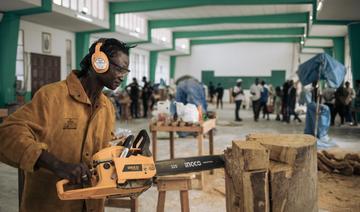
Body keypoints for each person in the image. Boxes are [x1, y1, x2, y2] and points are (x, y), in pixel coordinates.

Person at [0, 38, 132, 211]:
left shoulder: (107, 107)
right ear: (99, 62)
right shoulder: (52, 97)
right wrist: (56, 165)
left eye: (126, 70)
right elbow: (8, 133)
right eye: (119, 68)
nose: (122, 76)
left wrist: (125, 156)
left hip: (92, 203)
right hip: (51, 204)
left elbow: (103, 150)